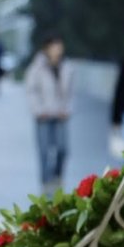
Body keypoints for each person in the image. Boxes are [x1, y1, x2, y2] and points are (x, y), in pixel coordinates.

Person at [24, 34, 75, 192]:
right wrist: (38, 110)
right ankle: (46, 181)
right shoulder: (36, 68)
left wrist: (67, 110)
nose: (58, 50)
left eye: (59, 46)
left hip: (61, 115)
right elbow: (31, 91)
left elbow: (71, 92)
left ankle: (57, 176)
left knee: (63, 149)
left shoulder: (67, 67)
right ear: (47, 49)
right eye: (54, 46)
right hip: (43, 116)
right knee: (44, 151)